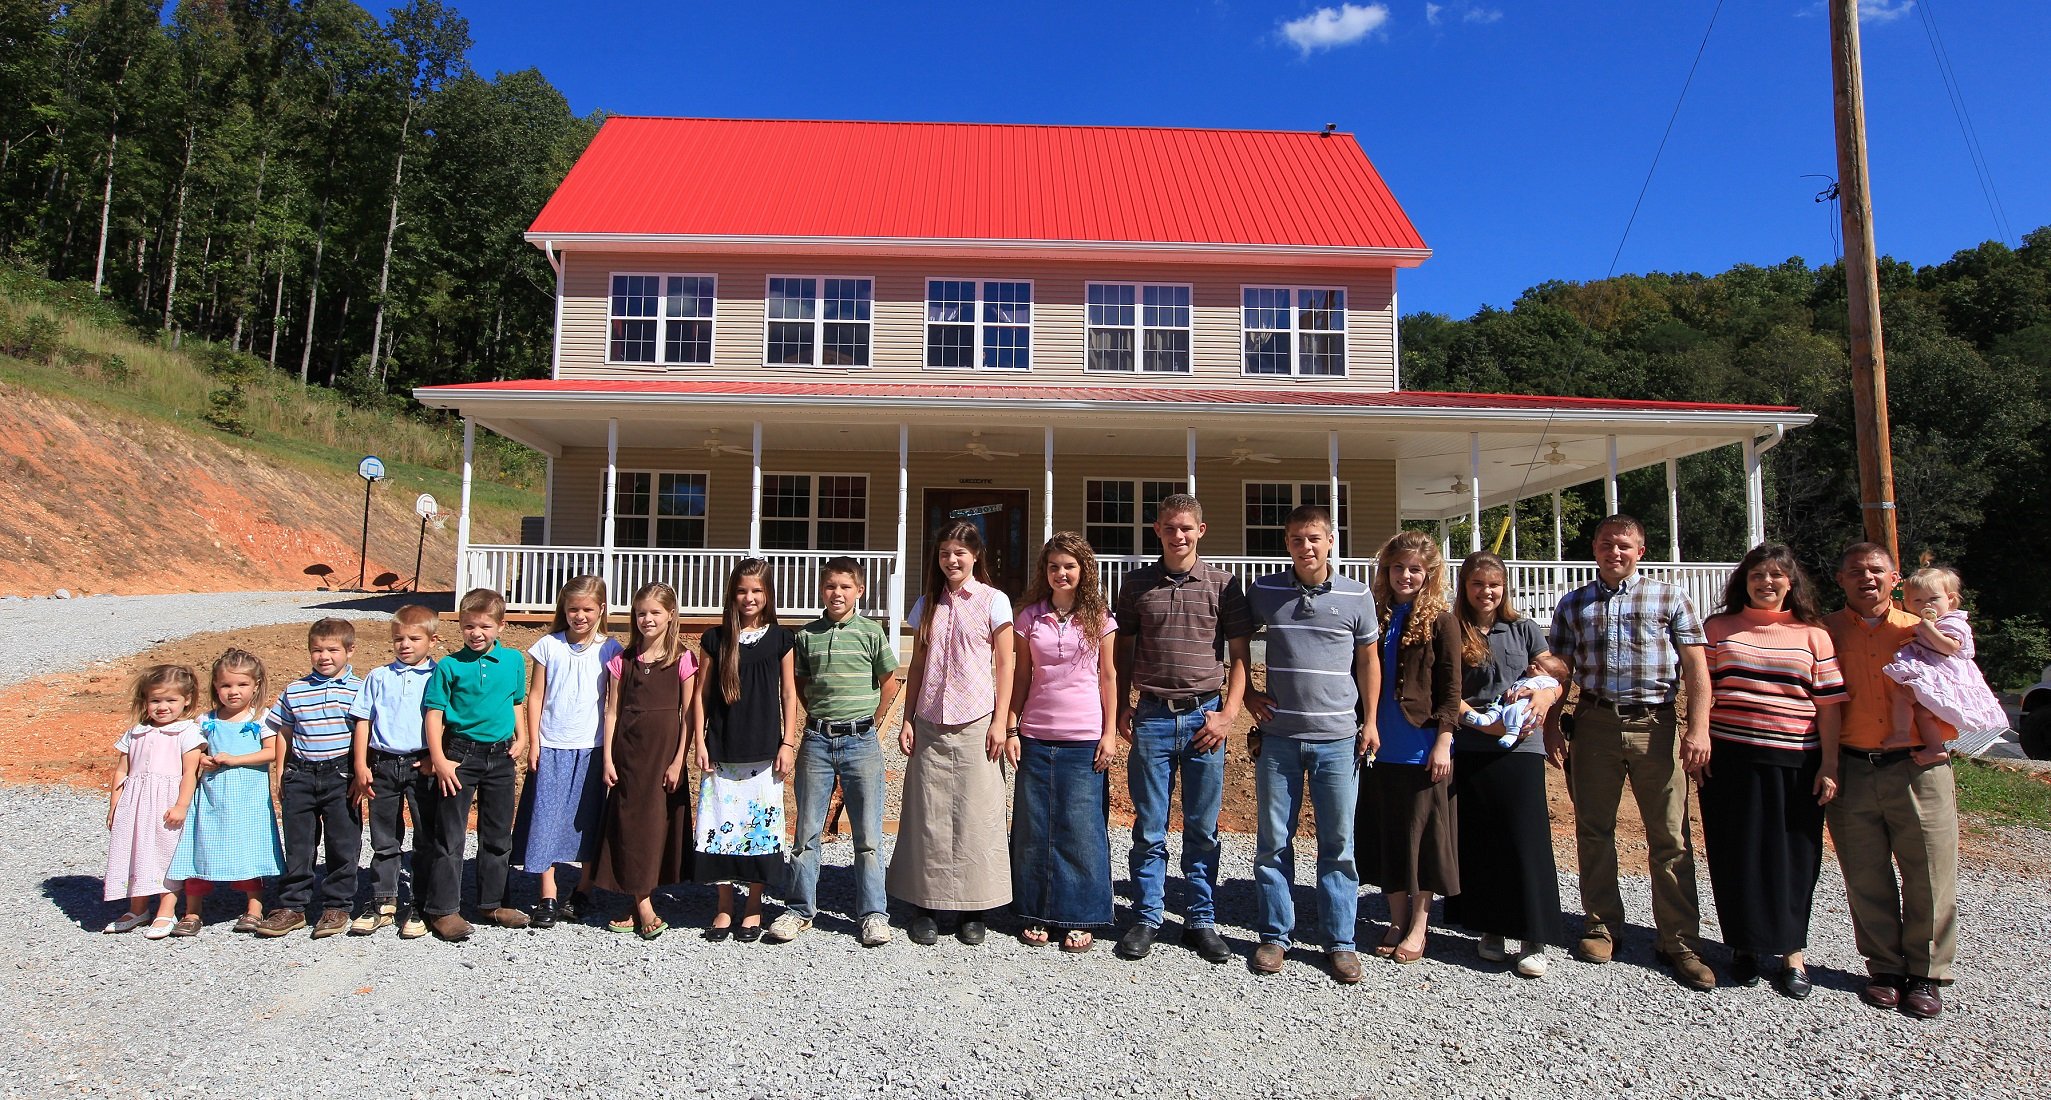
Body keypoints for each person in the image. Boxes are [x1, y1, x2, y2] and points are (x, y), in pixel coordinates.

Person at [1543, 514, 1716, 990]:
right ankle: (1601, 925)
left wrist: (1697, 728)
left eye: (1623, 545)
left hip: (1655, 724)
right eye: (1605, 544)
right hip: (1595, 722)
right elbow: (1562, 670)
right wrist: (1552, 724)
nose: (1613, 552)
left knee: (1669, 836)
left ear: (1640, 549)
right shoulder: (1574, 602)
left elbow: (1697, 669)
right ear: (1594, 549)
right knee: (1594, 829)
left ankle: (1679, 940)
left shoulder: (1670, 597)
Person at [1698, 544, 1846, 999]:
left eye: (1776, 576)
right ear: (1744, 580)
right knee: (1735, 852)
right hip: (1730, 757)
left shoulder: (1813, 635)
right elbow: (1703, 689)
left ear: (1790, 584)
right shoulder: (1718, 629)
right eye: (1758, 575)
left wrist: (1830, 762)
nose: (1766, 583)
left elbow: (1829, 704)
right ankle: (1743, 945)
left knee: (1793, 857)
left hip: (1795, 759)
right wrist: (1698, 737)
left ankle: (1791, 953)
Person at [1112, 494, 1253, 964]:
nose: (1178, 536)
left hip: (1204, 719)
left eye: (1186, 529)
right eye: (1170, 528)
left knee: (1202, 827)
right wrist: (1122, 709)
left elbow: (1238, 657)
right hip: (1151, 715)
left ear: (1201, 530)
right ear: (1157, 530)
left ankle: (1200, 918)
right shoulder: (1135, 586)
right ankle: (1148, 915)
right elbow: (1123, 651)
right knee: (1149, 826)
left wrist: (1229, 714)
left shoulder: (1224, 586)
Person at [1826, 543, 1960, 1020]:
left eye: (1877, 570)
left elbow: (1962, 679)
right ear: (1840, 579)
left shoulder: (1923, 629)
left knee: (1929, 871)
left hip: (1918, 766)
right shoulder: (1824, 632)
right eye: (1856, 571)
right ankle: (1884, 967)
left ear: (1895, 577)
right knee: (1865, 873)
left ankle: (1927, 973)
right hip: (1853, 765)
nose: (1867, 578)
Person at [1244, 507, 1377, 983]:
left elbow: (1368, 663)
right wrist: (1247, 695)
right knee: (1273, 842)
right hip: (1280, 739)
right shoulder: (1265, 592)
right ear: (1287, 543)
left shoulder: (1357, 595)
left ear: (1331, 541)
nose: (1307, 546)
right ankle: (1275, 935)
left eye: (1315, 538)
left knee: (1338, 844)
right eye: (1298, 538)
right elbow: (1234, 639)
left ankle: (1341, 941)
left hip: (1339, 739)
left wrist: (1371, 721)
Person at [890, 520, 1017, 947]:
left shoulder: (994, 601)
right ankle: (925, 906)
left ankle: (972, 909)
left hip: (977, 721)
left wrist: (1002, 721)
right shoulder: (927, 603)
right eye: (945, 553)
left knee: (976, 816)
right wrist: (907, 717)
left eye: (959, 553)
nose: (952, 560)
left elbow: (1006, 664)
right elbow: (918, 665)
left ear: (976, 555)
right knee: (927, 816)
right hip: (929, 721)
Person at [1442, 551, 1567, 978]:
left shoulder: (1525, 628)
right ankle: (1491, 927)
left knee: (1525, 837)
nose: (1486, 592)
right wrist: (1480, 725)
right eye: (1478, 584)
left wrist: (1546, 697)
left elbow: (1552, 678)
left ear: (1505, 586)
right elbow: (1446, 688)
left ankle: (1534, 934)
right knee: (1483, 838)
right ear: (1465, 586)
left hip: (1521, 749)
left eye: (1494, 584)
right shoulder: (1453, 629)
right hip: (1473, 745)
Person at [770, 557, 902, 947]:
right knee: (807, 831)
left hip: (861, 741)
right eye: (830, 587)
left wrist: (871, 724)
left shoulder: (871, 633)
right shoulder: (807, 636)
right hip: (817, 741)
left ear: (859, 591)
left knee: (868, 834)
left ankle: (874, 913)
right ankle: (799, 908)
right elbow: (801, 686)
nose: (837, 594)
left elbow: (888, 683)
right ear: (821, 590)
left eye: (845, 587)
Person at [1007, 532, 1119, 954]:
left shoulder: (1101, 619)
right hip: (1036, 735)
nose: (1061, 573)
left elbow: (1108, 677)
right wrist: (1014, 726)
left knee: (1082, 830)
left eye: (1069, 566)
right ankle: (1036, 911)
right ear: (1045, 571)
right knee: (1035, 830)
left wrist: (1108, 733)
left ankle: (1079, 915)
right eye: (1054, 566)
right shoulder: (1029, 618)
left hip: (1084, 738)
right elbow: (1021, 676)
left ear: (1083, 570)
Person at [1356, 530, 1461, 965]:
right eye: (1397, 567)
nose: (1405, 575)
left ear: (1429, 573)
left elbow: (1452, 687)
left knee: (1425, 838)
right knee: (1389, 834)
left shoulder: (1442, 620)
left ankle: (1420, 923)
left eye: (1414, 569)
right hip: (1378, 741)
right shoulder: (1375, 614)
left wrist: (1444, 739)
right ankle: (1396, 918)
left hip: (1422, 744)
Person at [692, 559, 799, 942]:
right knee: (720, 828)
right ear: (732, 595)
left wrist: (788, 742)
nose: (749, 597)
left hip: (765, 753)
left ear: (767, 595)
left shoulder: (781, 639)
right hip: (722, 750)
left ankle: (754, 905)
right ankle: (724, 904)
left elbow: (789, 693)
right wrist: (699, 741)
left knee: (759, 831)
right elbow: (700, 695)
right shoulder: (715, 638)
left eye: (756, 590)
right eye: (742, 591)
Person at [419, 589, 530, 941]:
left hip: (501, 756)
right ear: (460, 626)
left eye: (484, 626)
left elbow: (516, 703)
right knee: (450, 835)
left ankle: (493, 902)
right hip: (459, 756)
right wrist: (438, 758)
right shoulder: (449, 666)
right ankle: (444, 910)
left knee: (497, 834)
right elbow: (434, 714)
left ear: (500, 625)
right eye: (468, 626)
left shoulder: (513, 661)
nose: (476, 633)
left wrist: (523, 737)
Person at [513, 576, 623, 928]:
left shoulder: (611, 649)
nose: (580, 616)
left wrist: (610, 750)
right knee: (546, 819)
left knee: (586, 821)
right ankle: (547, 894)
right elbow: (535, 696)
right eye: (573, 609)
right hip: (553, 745)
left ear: (601, 609)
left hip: (591, 747)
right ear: (564, 609)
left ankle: (583, 889)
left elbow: (613, 705)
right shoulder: (548, 645)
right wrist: (534, 741)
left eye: (587, 609)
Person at [591, 582, 698, 940]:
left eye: (655, 612)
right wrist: (607, 757)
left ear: (670, 615)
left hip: (663, 755)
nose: (647, 619)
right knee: (628, 825)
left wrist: (678, 761)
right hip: (627, 753)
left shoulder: (683, 658)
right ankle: (643, 905)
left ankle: (638, 900)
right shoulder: (622, 660)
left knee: (654, 827)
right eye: (641, 613)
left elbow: (688, 714)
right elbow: (611, 711)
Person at [254, 619, 365, 939]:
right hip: (300, 773)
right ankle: (293, 906)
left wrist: (360, 771)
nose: (324, 656)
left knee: (342, 842)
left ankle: (337, 904)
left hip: (340, 774)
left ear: (349, 650)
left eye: (332, 649)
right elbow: (283, 733)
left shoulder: (360, 689)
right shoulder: (295, 690)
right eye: (317, 650)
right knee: (299, 844)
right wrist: (281, 771)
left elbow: (364, 733)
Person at [167, 650, 284, 936]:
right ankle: (192, 911)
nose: (234, 692)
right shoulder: (206, 720)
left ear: (255, 685)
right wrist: (204, 760)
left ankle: (254, 908)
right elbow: (195, 753)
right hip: (210, 798)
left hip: (247, 799)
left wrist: (236, 759)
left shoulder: (260, 718)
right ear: (215, 687)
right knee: (198, 849)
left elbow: (271, 752)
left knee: (248, 850)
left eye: (242, 685)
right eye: (226, 686)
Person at [344, 606, 440, 939]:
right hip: (383, 764)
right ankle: (383, 901)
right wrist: (360, 763)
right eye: (398, 639)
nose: (405, 645)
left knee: (425, 837)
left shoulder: (439, 676)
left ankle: (421, 903)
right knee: (385, 838)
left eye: (414, 638)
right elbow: (363, 720)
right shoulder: (378, 677)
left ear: (432, 640)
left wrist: (435, 760)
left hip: (422, 764)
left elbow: (447, 722)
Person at [102, 665, 205, 940]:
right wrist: (115, 805)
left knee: (164, 853)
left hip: (166, 802)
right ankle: (137, 908)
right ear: (145, 701)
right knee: (134, 851)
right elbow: (122, 771)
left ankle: (166, 908)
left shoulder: (187, 732)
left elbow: (189, 773)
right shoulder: (135, 732)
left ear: (187, 701)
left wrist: (182, 804)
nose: (162, 707)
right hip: (134, 803)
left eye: (170, 700)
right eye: (155, 700)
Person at [1885, 565, 2008, 761]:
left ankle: (1901, 733)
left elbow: (1950, 647)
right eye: (1918, 600)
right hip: (1937, 672)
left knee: (1902, 693)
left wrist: (1928, 630)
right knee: (1921, 711)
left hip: (1948, 675)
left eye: (1933, 599)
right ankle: (1935, 748)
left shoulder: (1953, 622)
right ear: (1908, 603)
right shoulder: (1928, 623)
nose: (1927, 605)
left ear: (1950, 599)